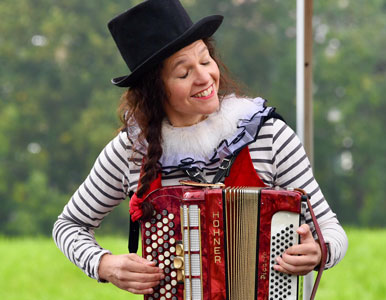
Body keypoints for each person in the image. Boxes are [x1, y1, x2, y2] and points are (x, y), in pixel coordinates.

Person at [53, 0, 348, 296]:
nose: (205, 77)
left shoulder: (268, 135)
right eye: (184, 73)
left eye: (206, 61)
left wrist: (320, 252)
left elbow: (332, 231)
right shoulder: (130, 152)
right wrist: (105, 265)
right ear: (155, 91)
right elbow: (68, 225)